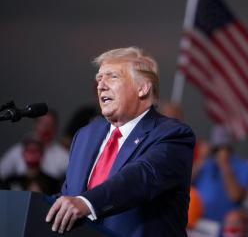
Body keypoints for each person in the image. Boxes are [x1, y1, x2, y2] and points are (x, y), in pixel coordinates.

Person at [45, 47, 195, 237]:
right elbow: (69, 197)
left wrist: (87, 202)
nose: (101, 85)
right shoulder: (85, 136)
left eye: (112, 76)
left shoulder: (173, 135)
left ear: (142, 87)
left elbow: (140, 177)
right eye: (99, 79)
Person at [192, 125, 248, 224]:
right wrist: (200, 159)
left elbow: (235, 196)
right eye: (216, 148)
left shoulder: (242, 166)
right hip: (198, 220)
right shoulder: (205, 163)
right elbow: (183, 185)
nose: (219, 152)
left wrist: (224, 165)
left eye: (223, 148)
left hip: (224, 224)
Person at [0, 111, 68, 180]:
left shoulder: (63, 155)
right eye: (43, 124)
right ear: (35, 125)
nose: (46, 128)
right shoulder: (19, 150)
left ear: (56, 128)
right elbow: (2, 172)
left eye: (50, 125)